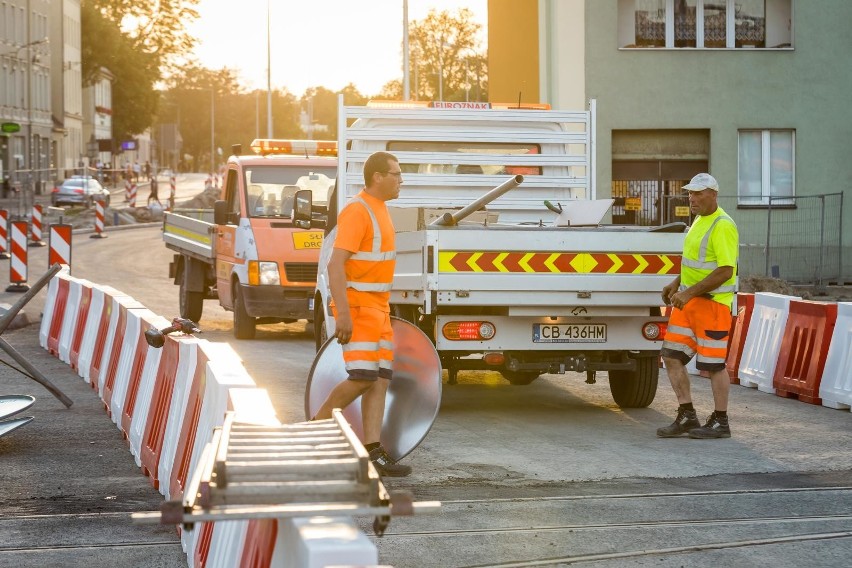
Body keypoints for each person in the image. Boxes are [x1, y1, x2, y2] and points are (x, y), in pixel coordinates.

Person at [312, 151, 410, 477]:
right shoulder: (358, 210)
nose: (401, 179)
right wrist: (342, 314)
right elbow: (334, 264)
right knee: (362, 378)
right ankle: (313, 434)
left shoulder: (380, 209)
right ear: (377, 177)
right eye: (396, 174)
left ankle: (372, 451)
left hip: (378, 308)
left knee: (380, 380)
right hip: (358, 307)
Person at [658, 173, 739, 439]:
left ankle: (721, 421)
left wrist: (689, 292)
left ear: (713, 194)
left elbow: (725, 270)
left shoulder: (723, 225)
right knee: (671, 356)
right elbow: (694, 261)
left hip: (712, 307)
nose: (692, 198)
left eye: (698, 193)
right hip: (688, 303)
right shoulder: (699, 221)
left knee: (713, 365)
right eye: (690, 193)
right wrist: (676, 283)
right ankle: (687, 415)